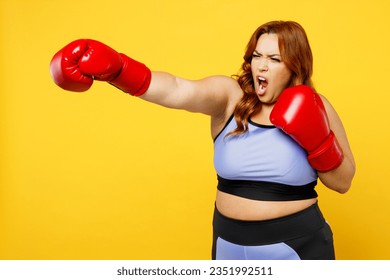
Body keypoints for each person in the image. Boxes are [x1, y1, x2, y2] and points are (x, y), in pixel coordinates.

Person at [49, 20, 356, 260]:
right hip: (228, 245)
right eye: (256, 56)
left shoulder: (319, 106)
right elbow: (177, 90)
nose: (260, 66)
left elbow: (343, 182)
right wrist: (118, 69)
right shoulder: (230, 96)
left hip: (298, 248)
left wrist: (318, 141)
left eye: (274, 58)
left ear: (294, 66)